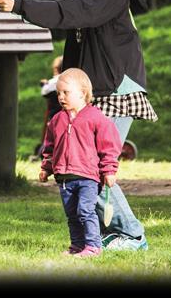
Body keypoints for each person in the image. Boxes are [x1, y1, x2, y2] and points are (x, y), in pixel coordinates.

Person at [0, 0, 158, 251]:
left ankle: (131, 235)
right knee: (82, 164)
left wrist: (18, 6)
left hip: (116, 89)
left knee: (94, 164)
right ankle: (117, 233)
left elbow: (70, 12)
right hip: (95, 88)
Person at [39, 68, 122, 258]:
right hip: (65, 179)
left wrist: (109, 170)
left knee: (85, 211)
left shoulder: (96, 118)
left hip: (87, 177)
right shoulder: (56, 120)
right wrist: (46, 168)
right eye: (58, 93)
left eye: (65, 93)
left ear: (82, 93)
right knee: (72, 215)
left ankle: (93, 246)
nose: (60, 97)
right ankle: (77, 245)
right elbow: (50, 148)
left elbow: (108, 147)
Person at [35, 55, 63, 158]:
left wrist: (45, 85)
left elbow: (45, 91)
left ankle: (44, 153)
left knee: (51, 134)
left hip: (55, 113)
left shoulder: (55, 81)